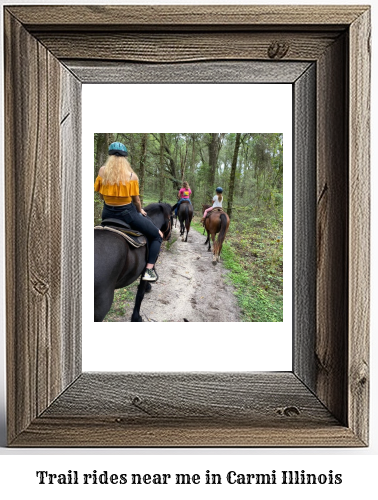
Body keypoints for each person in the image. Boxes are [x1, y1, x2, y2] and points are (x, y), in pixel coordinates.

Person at [94, 141, 163, 282]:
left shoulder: (102, 171)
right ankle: (149, 270)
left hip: (106, 213)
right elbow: (136, 201)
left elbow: (100, 195)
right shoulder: (132, 176)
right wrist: (140, 210)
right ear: (125, 159)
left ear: (110, 157)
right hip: (127, 215)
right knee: (157, 235)